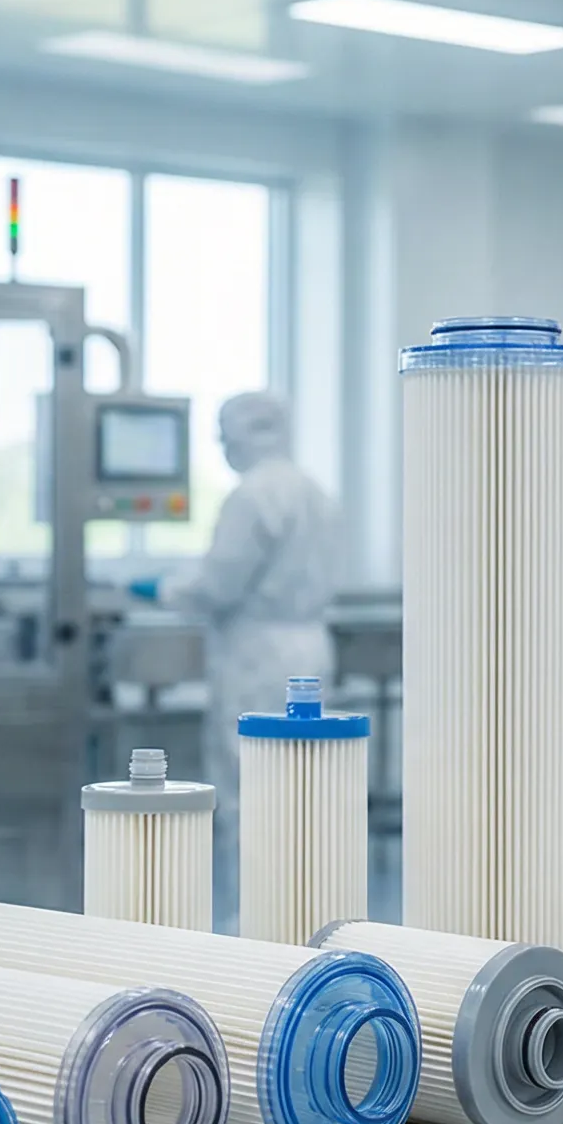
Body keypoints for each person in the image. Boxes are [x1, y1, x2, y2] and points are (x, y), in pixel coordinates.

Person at [130, 392, 338, 915]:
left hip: (258, 657)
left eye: (226, 435)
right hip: (311, 647)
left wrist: (161, 589)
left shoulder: (252, 496)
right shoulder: (313, 490)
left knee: (250, 791)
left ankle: (256, 917)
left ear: (247, 433)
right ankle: (306, 909)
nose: (224, 446)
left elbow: (217, 585)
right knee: (303, 788)